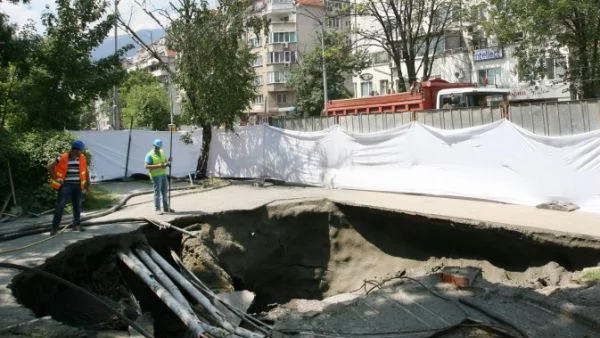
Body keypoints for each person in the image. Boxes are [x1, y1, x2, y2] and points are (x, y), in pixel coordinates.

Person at [47, 140, 91, 235]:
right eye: (80, 151)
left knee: (77, 206)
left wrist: (88, 183)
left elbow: (86, 171)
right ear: (75, 150)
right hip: (66, 186)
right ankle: (54, 228)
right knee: (60, 206)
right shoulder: (62, 157)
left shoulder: (82, 157)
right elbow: (49, 167)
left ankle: (76, 225)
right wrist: (56, 178)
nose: (81, 152)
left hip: (78, 185)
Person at [145, 138, 173, 215]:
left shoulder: (162, 152)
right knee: (157, 193)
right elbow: (146, 166)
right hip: (155, 176)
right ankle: (157, 209)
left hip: (163, 174)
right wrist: (159, 165)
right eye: (156, 147)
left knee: (164, 192)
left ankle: (166, 207)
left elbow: (164, 162)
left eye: (159, 147)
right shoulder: (149, 155)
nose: (158, 148)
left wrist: (168, 161)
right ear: (153, 145)